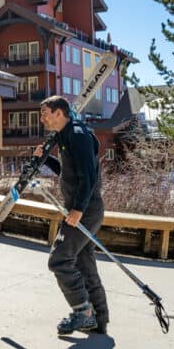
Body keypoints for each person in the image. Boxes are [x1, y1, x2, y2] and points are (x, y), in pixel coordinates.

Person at [34, 95, 109, 335]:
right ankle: (99, 319)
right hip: (81, 208)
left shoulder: (77, 135)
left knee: (59, 260)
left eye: (45, 112)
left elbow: (88, 175)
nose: (42, 118)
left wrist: (78, 209)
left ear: (59, 113)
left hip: (84, 209)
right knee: (83, 263)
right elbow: (68, 171)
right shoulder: (65, 136)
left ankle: (83, 313)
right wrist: (43, 160)